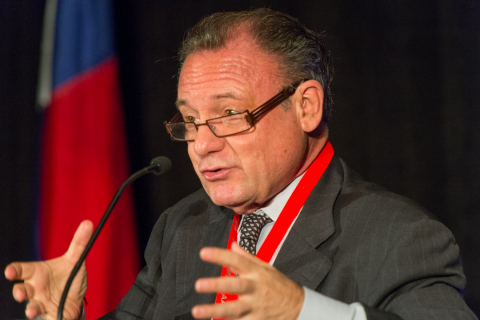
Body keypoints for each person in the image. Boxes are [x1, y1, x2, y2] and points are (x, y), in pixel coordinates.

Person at [5, 8, 477, 320]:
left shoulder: (399, 235)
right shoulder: (181, 228)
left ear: (306, 107)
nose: (201, 145)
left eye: (229, 114)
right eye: (189, 120)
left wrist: (303, 311)